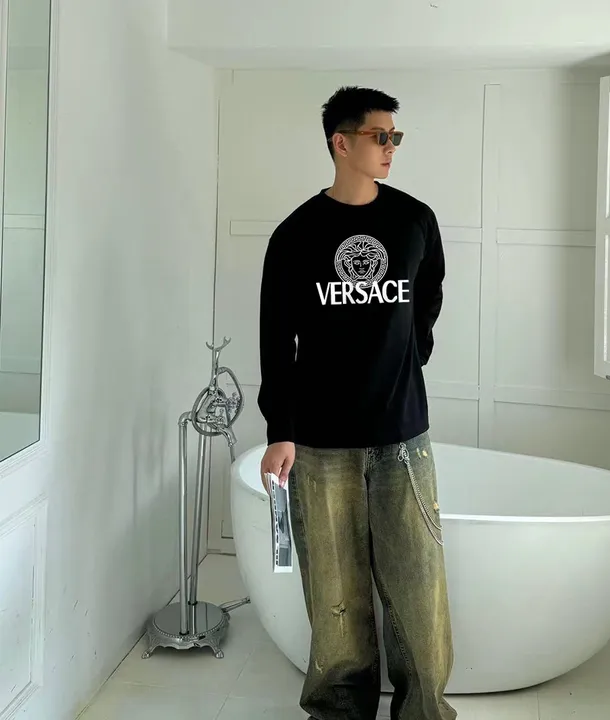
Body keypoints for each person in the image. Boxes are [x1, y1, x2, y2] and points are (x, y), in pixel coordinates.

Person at [257, 85, 456, 720]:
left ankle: (424, 712)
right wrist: (280, 430)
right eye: (380, 136)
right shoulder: (296, 235)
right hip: (320, 442)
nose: (391, 147)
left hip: (403, 433)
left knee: (418, 586)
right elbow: (275, 337)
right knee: (335, 593)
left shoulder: (415, 220)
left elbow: (430, 292)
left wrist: (413, 351)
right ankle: (339, 712)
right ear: (341, 143)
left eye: (396, 136)